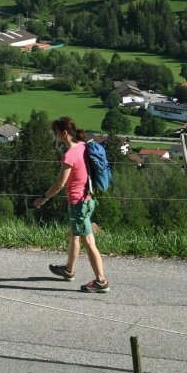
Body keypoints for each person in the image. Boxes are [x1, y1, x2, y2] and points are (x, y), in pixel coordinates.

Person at [34, 116, 109, 293]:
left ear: (65, 133)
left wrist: (43, 198)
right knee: (73, 234)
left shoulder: (69, 155)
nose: (56, 136)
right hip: (88, 199)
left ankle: (101, 281)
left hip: (78, 203)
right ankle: (68, 270)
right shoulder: (83, 147)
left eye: (57, 133)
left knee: (89, 242)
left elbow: (60, 183)